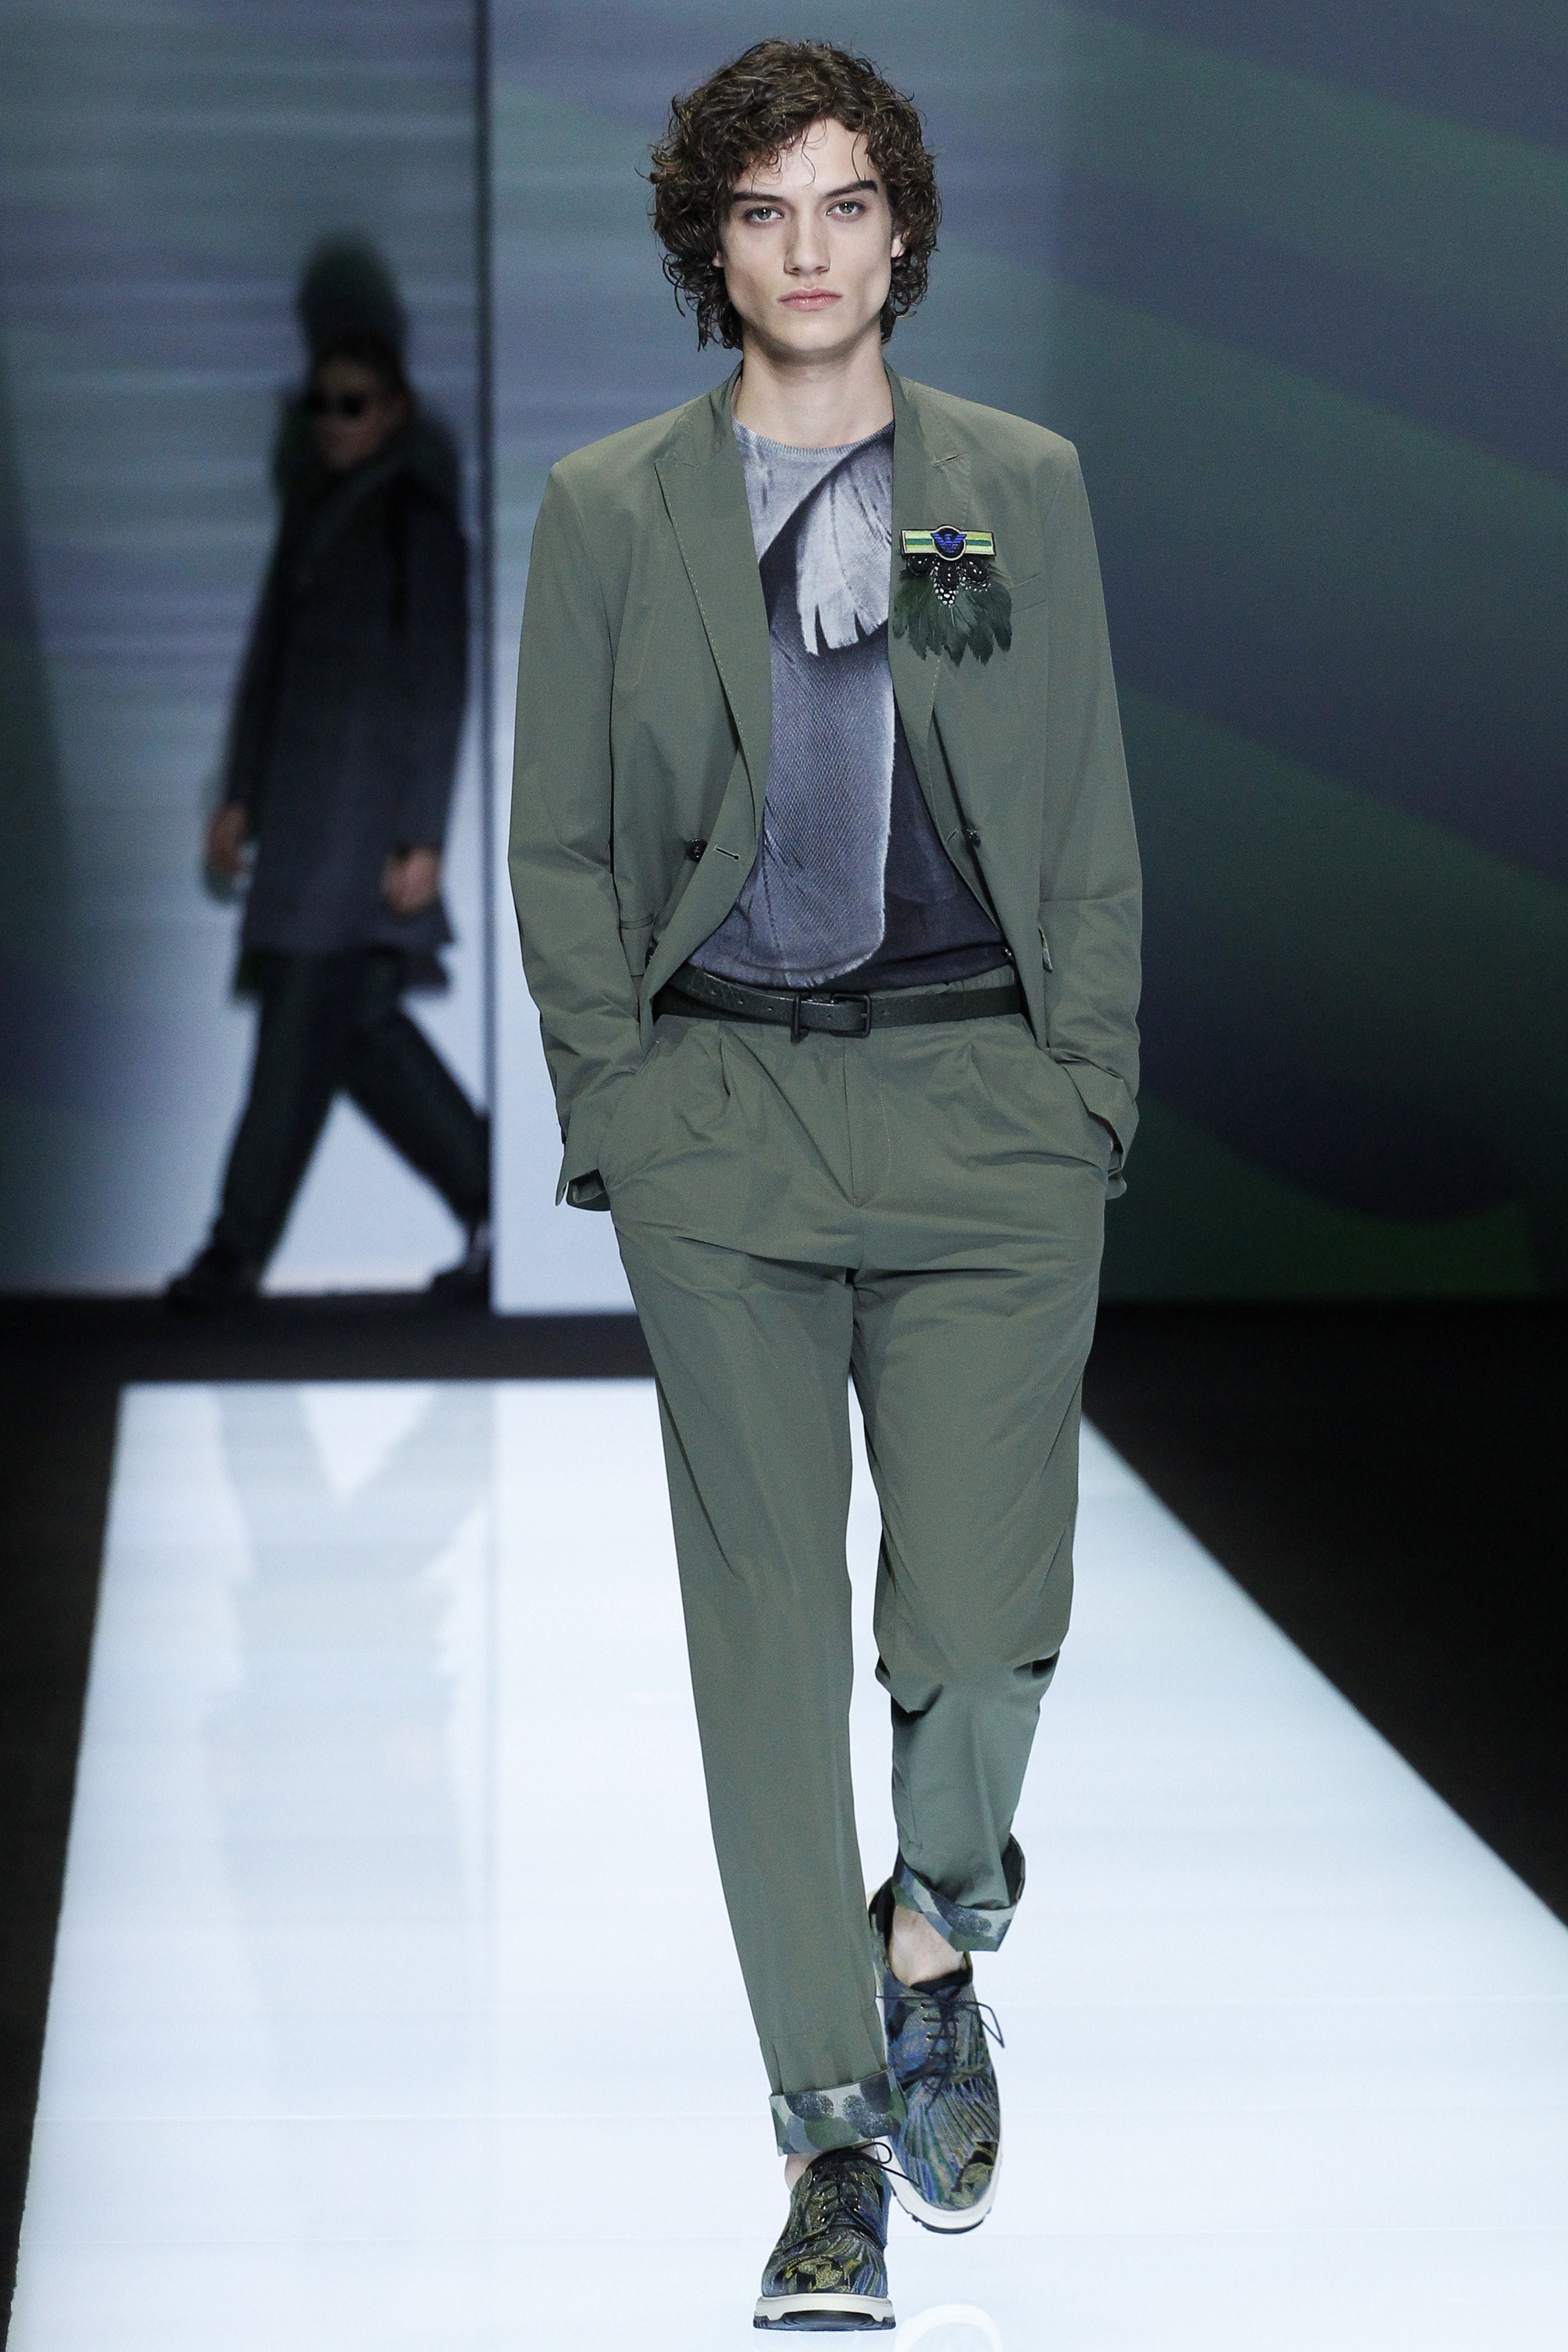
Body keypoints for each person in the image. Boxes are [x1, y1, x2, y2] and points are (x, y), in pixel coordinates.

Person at [511, 39, 1141, 2332]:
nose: (807, 247)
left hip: (980, 1111)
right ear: (712, 239)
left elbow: (1057, 800)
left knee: (977, 1622)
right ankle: (828, 2140)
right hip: (726, 1123)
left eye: (845, 203)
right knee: (764, 1647)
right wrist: (621, 1106)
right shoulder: (610, 513)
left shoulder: (996, 496)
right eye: (763, 207)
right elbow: (563, 844)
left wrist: (1084, 1100)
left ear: (900, 230)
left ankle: (932, 1930)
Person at [169, 325, 490, 1308]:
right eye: (321, 404)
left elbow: (437, 687)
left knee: (296, 1035)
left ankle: (233, 1251)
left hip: (360, 829)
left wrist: (422, 833)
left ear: (392, 411)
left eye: (352, 404)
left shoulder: (416, 527)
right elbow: (269, 668)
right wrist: (239, 795)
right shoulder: (314, 513)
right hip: (306, 824)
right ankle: (507, 1206)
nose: (332, 422)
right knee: (360, 1030)